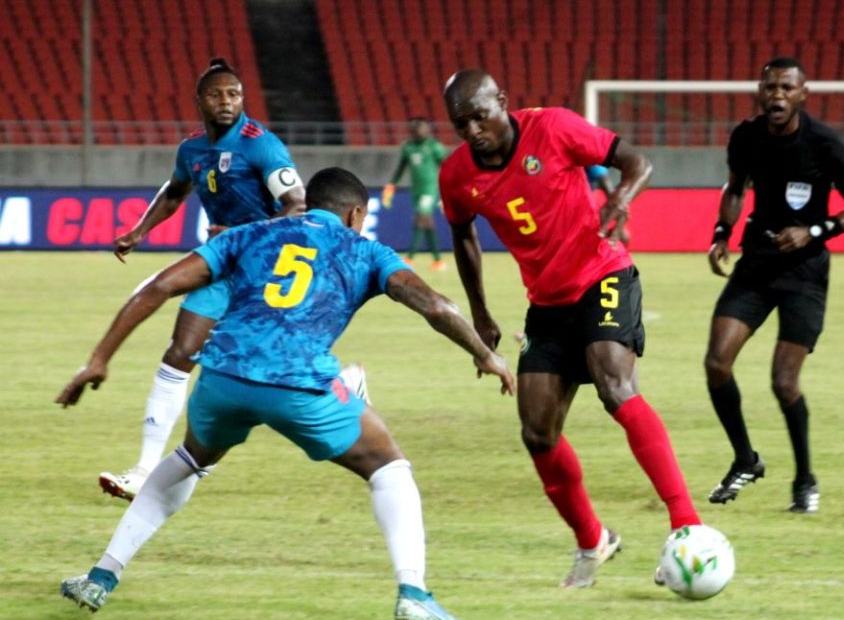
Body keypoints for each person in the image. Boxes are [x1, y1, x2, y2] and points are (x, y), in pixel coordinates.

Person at [56, 167, 515, 620]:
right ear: (356, 214)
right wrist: (485, 355)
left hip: (222, 378)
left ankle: (101, 575)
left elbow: (158, 285)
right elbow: (437, 306)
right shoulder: (366, 250)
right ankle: (413, 592)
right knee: (388, 467)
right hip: (298, 383)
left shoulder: (250, 234)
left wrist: (98, 359)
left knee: (190, 459)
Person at [439, 69, 702, 589]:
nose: (472, 131)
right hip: (548, 303)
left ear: (502, 101)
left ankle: (687, 525)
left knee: (615, 386)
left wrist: (621, 198)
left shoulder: (554, 128)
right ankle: (592, 540)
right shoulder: (456, 175)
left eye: (480, 117)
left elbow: (637, 161)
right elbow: (462, 236)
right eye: (460, 124)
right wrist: (481, 313)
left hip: (603, 273)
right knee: (537, 430)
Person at [100, 57, 367, 502]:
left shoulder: (261, 146)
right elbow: (175, 191)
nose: (226, 101)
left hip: (266, 268)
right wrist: (140, 230)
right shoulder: (191, 149)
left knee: (272, 362)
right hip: (224, 265)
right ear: (199, 100)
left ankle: (343, 382)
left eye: (234, 94)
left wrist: (244, 233)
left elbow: (297, 204)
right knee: (180, 353)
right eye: (216, 94)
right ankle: (145, 469)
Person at [704, 57, 844, 513]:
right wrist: (721, 233)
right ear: (761, 92)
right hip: (757, 265)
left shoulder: (826, 144)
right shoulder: (746, 137)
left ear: (803, 94)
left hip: (805, 274)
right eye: (770, 87)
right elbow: (735, 188)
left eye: (786, 87)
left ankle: (804, 478)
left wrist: (814, 231)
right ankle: (745, 459)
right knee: (717, 363)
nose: (777, 95)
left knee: (783, 383)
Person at [381, 117, 448, 270]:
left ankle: (409, 258)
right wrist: (391, 184)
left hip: (430, 190)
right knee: (427, 223)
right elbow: (401, 167)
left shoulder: (434, 147)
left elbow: (446, 168)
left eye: (422, 128)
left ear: (428, 130)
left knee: (420, 218)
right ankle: (438, 261)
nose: (420, 131)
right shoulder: (408, 148)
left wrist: (447, 190)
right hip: (416, 191)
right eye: (417, 128)